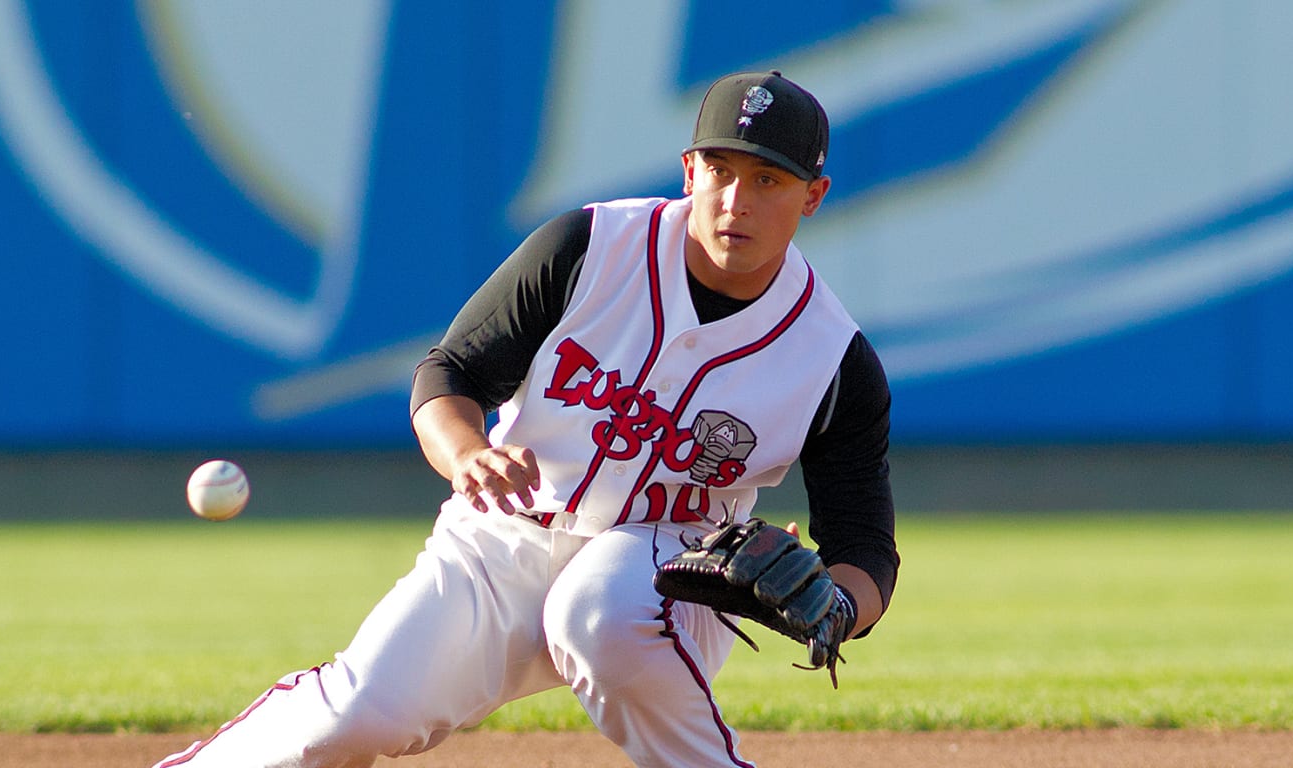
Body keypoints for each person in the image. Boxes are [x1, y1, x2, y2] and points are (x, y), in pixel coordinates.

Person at [153, 70, 898, 768]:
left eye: (767, 179)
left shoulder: (832, 359)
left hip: (671, 566)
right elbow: (449, 373)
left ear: (813, 196)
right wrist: (466, 452)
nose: (735, 200)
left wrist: (838, 609)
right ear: (688, 170)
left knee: (596, 612)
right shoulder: (589, 249)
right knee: (360, 715)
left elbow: (865, 544)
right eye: (720, 170)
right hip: (507, 538)